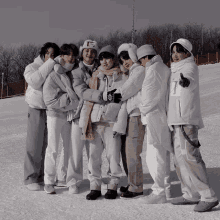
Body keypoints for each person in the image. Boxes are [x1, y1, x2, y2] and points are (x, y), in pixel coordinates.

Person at [168, 38, 219, 212]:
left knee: (190, 157)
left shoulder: (189, 67)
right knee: (180, 159)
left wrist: (185, 81)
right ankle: (190, 194)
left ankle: (208, 196)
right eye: (173, 51)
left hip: (186, 120)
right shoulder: (174, 69)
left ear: (187, 53)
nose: (175, 55)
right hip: (176, 121)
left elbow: (188, 79)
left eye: (179, 51)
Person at [80, 45, 128, 200]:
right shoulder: (95, 75)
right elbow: (88, 95)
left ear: (113, 59)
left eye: (107, 57)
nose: (104, 61)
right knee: (93, 156)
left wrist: (120, 123)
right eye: (101, 58)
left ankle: (113, 184)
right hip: (95, 121)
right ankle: (95, 186)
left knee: (113, 157)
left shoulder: (122, 76)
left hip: (111, 122)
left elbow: (124, 102)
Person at [66, 40, 104, 194]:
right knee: (75, 150)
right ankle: (73, 180)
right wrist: (102, 95)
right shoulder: (75, 71)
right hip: (79, 115)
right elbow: (81, 91)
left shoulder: (101, 69)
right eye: (87, 51)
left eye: (93, 51)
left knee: (94, 150)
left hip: (95, 116)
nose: (90, 54)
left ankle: (95, 180)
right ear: (82, 53)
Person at [137, 44, 172, 204]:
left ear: (145, 57)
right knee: (162, 153)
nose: (141, 64)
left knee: (154, 156)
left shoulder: (153, 70)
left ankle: (159, 191)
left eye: (141, 60)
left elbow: (148, 99)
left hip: (153, 117)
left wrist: (140, 103)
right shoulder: (162, 67)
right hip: (161, 116)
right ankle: (165, 188)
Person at [43, 44, 80, 194]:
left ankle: (63, 176)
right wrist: (68, 101)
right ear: (62, 56)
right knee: (52, 148)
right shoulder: (54, 74)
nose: (71, 57)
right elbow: (49, 100)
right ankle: (49, 180)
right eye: (68, 54)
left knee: (68, 148)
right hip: (54, 115)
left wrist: (71, 105)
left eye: (73, 54)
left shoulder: (74, 73)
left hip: (69, 116)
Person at [23, 42, 60, 191]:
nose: (50, 57)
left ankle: (43, 176)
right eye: (48, 54)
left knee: (48, 144)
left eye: (53, 55)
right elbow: (35, 81)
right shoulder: (32, 67)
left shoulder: (57, 68)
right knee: (34, 144)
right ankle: (30, 177)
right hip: (36, 108)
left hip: (52, 109)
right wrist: (50, 63)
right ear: (42, 54)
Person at [113, 43, 145, 199]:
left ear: (133, 55)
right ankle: (133, 182)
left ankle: (137, 186)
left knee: (132, 151)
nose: (125, 62)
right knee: (128, 151)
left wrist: (112, 96)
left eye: (126, 57)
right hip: (132, 115)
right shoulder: (132, 72)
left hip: (137, 114)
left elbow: (126, 90)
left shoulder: (139, 70)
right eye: (122, 60)